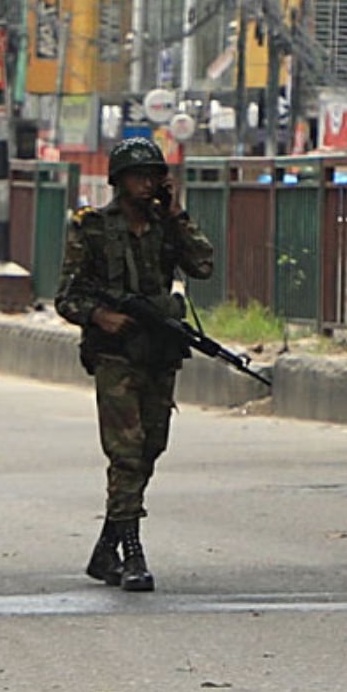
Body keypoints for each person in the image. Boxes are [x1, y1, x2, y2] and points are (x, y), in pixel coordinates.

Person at [55, 136, 215, 592]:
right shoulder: (91, 228)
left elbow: (203, 266)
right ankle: (132, 553)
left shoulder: (166, 226)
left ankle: (106, 548)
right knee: (125, 454)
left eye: (154, 176)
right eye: (140, 176)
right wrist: (100, 317)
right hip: (115, 355)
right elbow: (66, 297)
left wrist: (177, 212)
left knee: (150, 449)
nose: (148, 184)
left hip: (158, 352)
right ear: (119, 181)